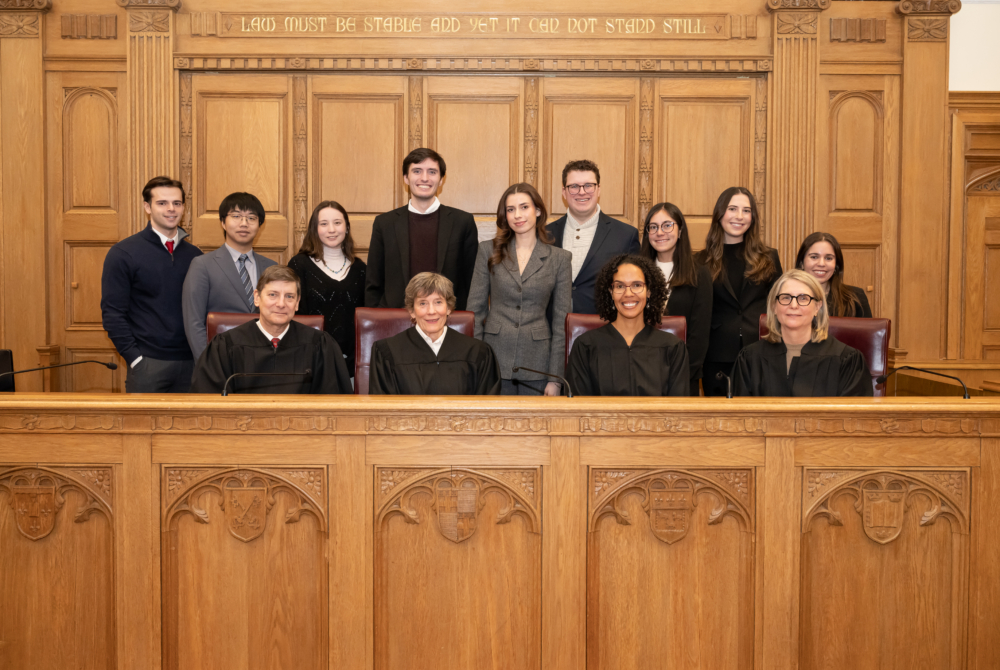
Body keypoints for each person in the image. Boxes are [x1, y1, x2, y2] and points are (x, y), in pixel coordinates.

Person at [467, 183, 572, 396]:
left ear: (538, 210)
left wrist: (555, 379)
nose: (517, 215)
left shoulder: (559, 258)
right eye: (510, 209)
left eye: (524, 207)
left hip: (538, 365)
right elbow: (475, 313)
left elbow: (562, 324)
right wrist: (476, 365)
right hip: (493, 361)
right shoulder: (487, 250)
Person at [101, 176, 203, 393]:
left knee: (190, 427)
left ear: (184, 207)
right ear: (147, 207)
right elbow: (112, 313)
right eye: (162, 203)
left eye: (177, 203)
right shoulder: (123, 253)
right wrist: (134, 358)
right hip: (147, 364)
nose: (171, 209)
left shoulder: (195, 256)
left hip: (191, 363)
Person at [190, 265, 352, 394]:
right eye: (273, 295)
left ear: (297, 303)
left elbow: (334, 406)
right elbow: (210, 403)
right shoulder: (226, 346)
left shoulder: (320, 346)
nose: (281, 304)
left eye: (289, 296)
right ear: (257, 298)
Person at [365, 147, 479, 310]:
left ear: (441, 180)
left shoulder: (462, 222)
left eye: (432, 172)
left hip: (447, 320)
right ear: (406, 177)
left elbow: (472, 282)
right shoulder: (384, 224)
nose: (424, 178)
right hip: (395, 319)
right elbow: (373, 284)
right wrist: (376, 322)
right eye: (417, 171)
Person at [696, 187, 782, 397]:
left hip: (762, 349)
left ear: (753, 217)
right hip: (716, 353)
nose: (739, 216)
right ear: (719, 214)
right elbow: (698, 312)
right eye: (732, 209)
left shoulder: (769, 257)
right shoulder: (700, 261)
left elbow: (779, 304)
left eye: (746, 210)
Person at [732, 269, 872, 397]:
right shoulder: (750, 359)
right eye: (786, 297)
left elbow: (855, 421)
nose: (793, 305)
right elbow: (737, 419)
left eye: (803, 298)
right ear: (774, 306)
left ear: (818, 307)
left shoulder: (846, 360)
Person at [568, 254, 689, 396]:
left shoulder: (673, 348)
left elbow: (679, 410)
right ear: (611, 292)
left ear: (649, 291)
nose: (628, 293)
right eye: (619, 286)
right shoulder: (586, 346)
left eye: (637, 285)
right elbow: (579, 410)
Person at [369, 273, 501, 395]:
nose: (431, 311)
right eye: (423, 303)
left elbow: (486, 412)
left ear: (448, 308)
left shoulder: (478, 353)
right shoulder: (388, 353)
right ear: (411, 311)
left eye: (438, 302)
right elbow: (384, 412)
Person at [182, 192, 277, 360]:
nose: (244, 223)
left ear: (259, 225)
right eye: (236, 216)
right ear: (223, 223)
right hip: (219, 358)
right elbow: (194, 323)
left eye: (251, 218)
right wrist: (208, 365)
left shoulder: (271, 268)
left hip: (264, 361)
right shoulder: (202, 265)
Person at [546, 159, 640, 314]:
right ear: (564, 192)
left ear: (598, 189)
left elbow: (635, 290)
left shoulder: (626, 236)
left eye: (588, 185)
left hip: (604, 331)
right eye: (574, 186)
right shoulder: (545, 235)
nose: (582, 192)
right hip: (553, 332)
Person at [639, 202, 712, 395]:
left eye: (667, 225)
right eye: (653, 227)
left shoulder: (699, 274)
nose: (660, 232)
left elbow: (700, 333)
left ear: (680, 231)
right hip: (640, 372)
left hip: (683, 374)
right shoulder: (636, 273)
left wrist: (683, 373)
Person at [287, 201, 366, 376]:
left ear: (346, 227)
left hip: (352, 366)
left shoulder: (361, 269)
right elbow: (294, 316)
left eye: (337, 223)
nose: (331, 229)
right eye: (324, 224)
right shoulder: (299, 264)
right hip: (310, 362)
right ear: (315, 229)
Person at [795, 232, 873, 318]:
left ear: (836, 265)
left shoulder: (856, 297)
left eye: (828, 258)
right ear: (802, 263)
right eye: (814, 257)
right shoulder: (786, 297)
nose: (821, 263)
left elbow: (867, 331)